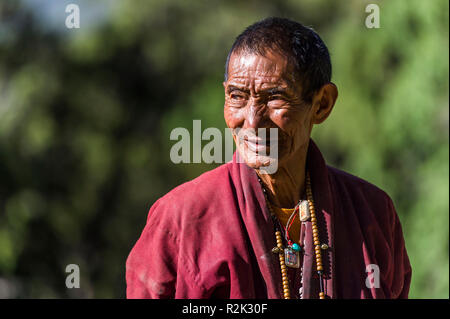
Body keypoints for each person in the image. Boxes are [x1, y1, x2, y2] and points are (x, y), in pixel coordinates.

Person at [126, 17, 411, 299]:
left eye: (275, 98)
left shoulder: (372, 213)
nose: (251, 122)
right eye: (237, 96)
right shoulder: (180, 219)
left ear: (322, 104)